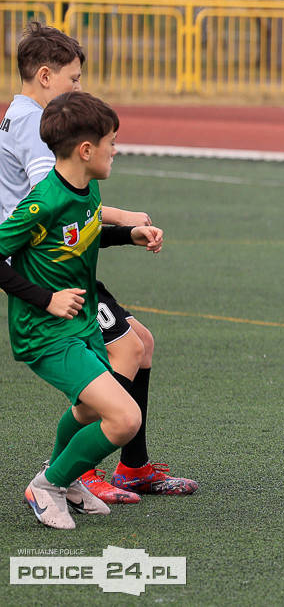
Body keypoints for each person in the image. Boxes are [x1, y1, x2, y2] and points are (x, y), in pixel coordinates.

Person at [0, 22, 197, 504]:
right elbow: (63, 198)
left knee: (140, 345)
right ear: (45, 76)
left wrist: (125, 232)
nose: (78, 88)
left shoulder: (18, 113)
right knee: (128, 350)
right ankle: (74, 471)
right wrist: (124, 216)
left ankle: (131, 465)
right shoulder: (34, 122)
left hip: (65, 255)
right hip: (48, 270)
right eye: (74, 79)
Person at [0, 91, 165, 528]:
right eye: (111, 141)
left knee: (90, 410)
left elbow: (85, 234)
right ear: (86, 150)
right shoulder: (43, 202)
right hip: (45, 332)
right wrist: (46, 299)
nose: (116, 149)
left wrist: (127, 234)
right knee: (125, 417)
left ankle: (66, 480)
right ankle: (48, 485)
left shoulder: (86, 188)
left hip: (80, 325)